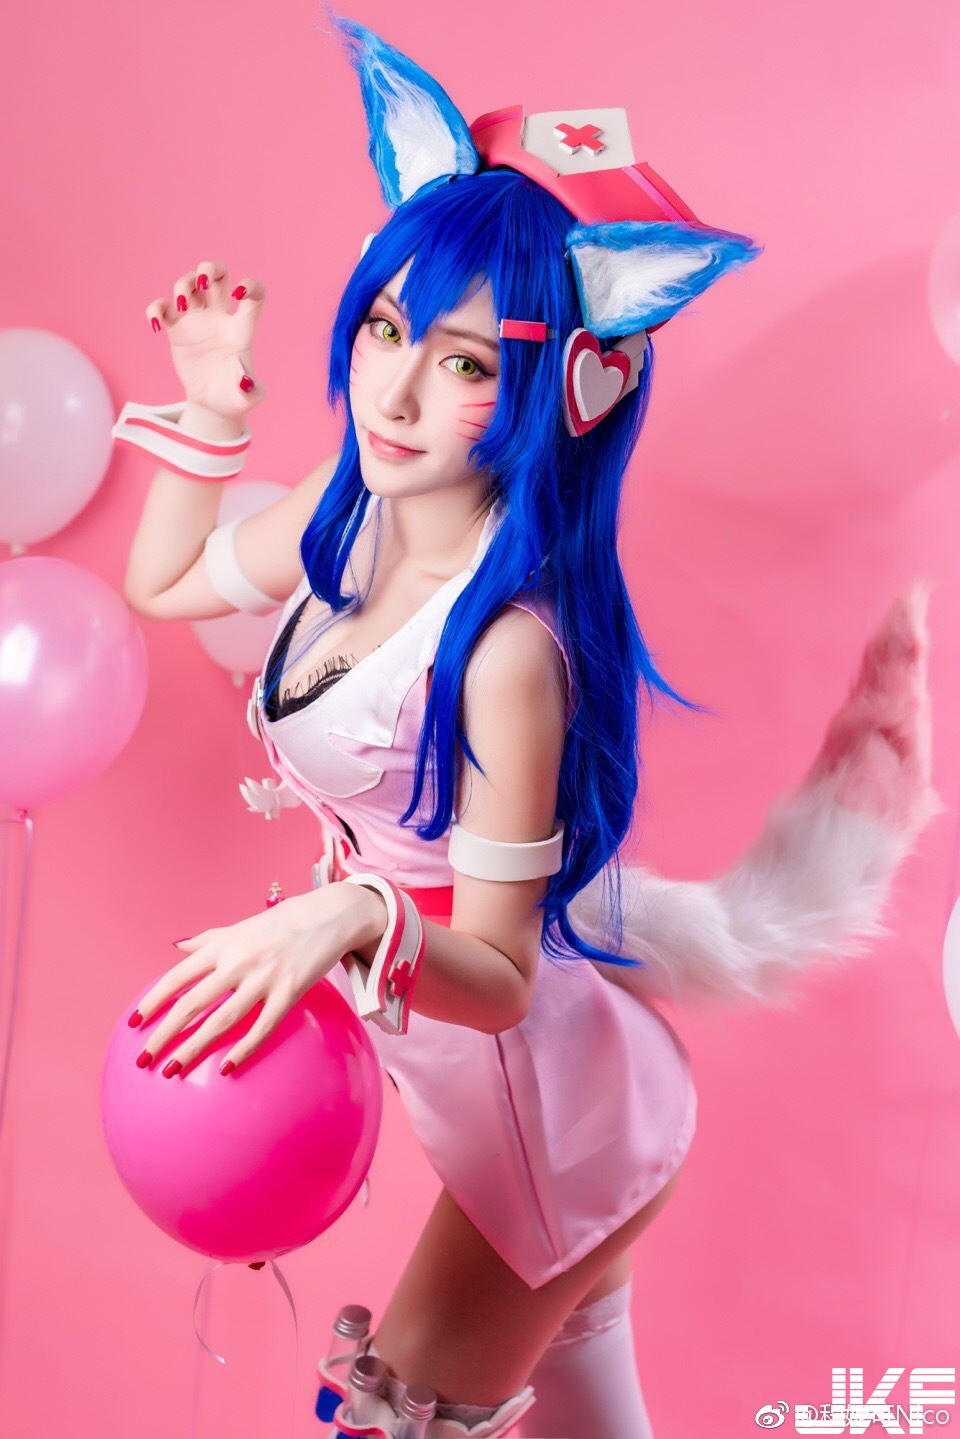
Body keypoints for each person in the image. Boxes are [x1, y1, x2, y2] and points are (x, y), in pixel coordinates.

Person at [115, 16, 937, 1439]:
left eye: (464, 364)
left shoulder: (506, 654)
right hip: (481, 1087)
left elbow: (495, 976)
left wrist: (344, 915)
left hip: (549, 1120)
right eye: (386, 332)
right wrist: (210, 411)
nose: (395, 393)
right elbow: (169, 579)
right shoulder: (348, 514)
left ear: (555, 393)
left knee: (389, 1423)